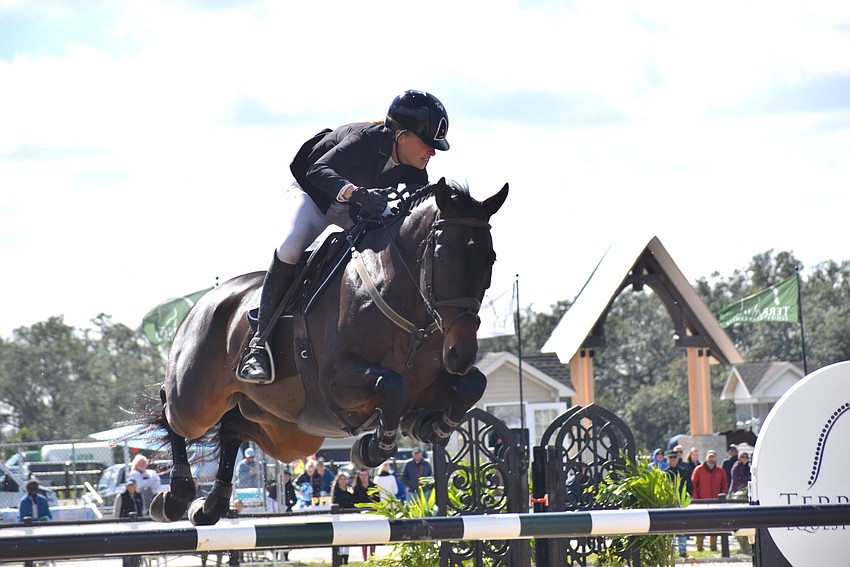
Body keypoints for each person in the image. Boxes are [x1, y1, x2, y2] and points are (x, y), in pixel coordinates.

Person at [236, 90, 450, 384]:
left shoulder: (417, 175)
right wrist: (357, 193)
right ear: (401, 136)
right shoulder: (365, 139)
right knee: (291, 246)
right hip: (314, 196)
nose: (433, 152)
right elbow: (317, 170)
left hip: (354, 209)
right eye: (428, 144)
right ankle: (258, 346)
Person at [691, 450, 728, 552]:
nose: (711, 459)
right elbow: (693, 485)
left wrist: (722, 498)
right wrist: (696, 499)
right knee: (700, 524)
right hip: (701, 502)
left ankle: (713, 546)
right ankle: (699, 546)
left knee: (715, 524)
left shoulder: (720, 471)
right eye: (710, 457)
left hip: (716, 502)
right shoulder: (698, 470)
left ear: (715, 458)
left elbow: (724, 485)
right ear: (706, 457)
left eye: (713, 457)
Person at [664, 450, 692, 558]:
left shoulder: (684, 472)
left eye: (674, 459)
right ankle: (670, 551)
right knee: (669, 529)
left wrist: (687, 499)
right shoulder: (665, 473)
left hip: (681, 504)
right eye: (670, 459)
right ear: (668, 460)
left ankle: (682, 551)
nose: (672, 460)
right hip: (669, 504)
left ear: (677, 460)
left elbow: (689, 486)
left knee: (682, 528)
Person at [113, 478, 144, 567]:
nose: (131, 487)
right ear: (126, 486)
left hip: (137, 528)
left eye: (133, 485)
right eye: (129, 485)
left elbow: (142, 510)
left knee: (138, 550)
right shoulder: (121, 496)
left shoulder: (139, 496)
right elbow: (116, 513)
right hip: (125, 527)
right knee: (126, 550)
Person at [352, 469, 378, 561]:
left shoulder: (374, 487)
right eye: (361, 475)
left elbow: (378, 501)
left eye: (365, 475)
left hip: (372, 514)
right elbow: (355, 502)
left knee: (373, 537)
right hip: (361, 515)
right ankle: (365, 559)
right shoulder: (357, 488)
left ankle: (372, 558)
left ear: (368, 475)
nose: (363, 477)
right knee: (364, 537)